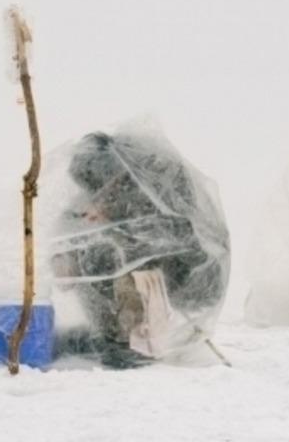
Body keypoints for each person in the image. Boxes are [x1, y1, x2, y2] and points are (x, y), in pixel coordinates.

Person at [50, 130, 229, 368]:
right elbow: (69, 228)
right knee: (93, 258)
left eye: (100, 180)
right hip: (133, 276)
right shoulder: (94, 197)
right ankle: (108, 335)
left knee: (125, 269)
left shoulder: (152, 191)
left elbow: (164, 241)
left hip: (176, 273)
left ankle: (134, 343)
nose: (96, 188)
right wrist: (66, 254)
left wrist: (110, 222)